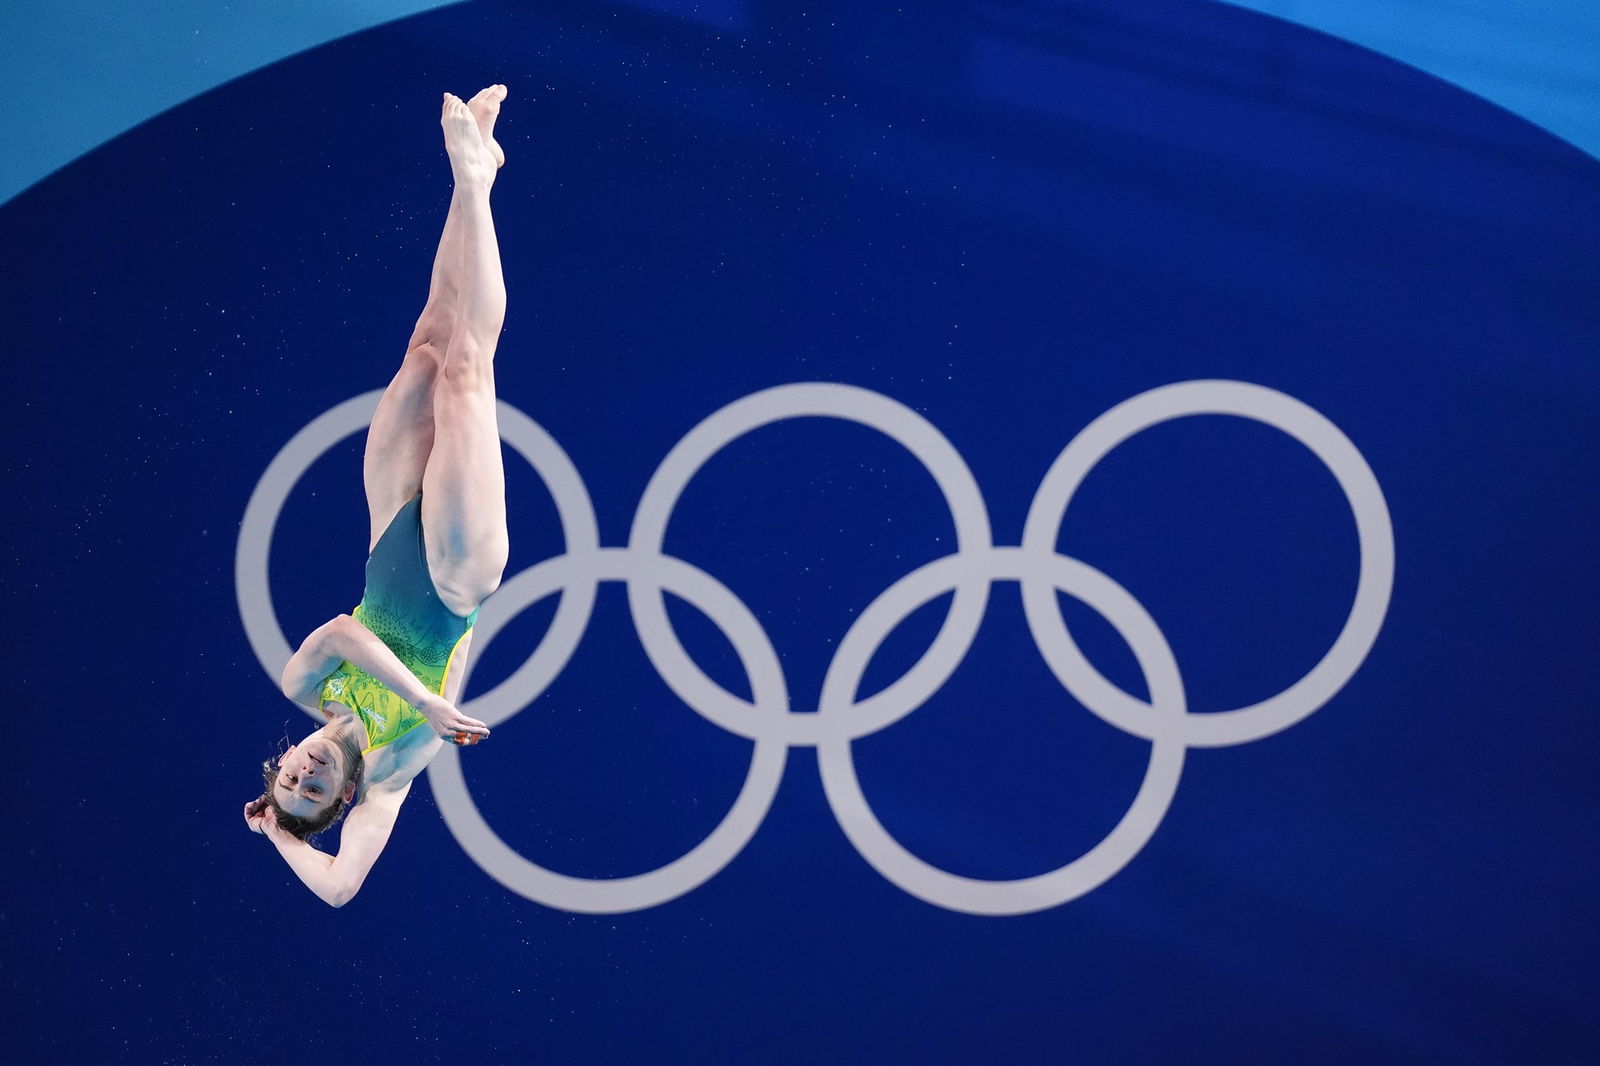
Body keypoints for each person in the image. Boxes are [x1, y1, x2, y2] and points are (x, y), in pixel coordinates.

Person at [243, 86, 512, 906]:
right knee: (469, 368)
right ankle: (471, 179)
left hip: (388, 537)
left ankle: (479, 179)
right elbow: (339, 890)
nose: (306, 772)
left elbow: (342, 633)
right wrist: (288, 837)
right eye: (314, 793)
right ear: (343, 798)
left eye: (289, 777)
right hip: (458, 577)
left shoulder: (303, 684)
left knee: (428, 345)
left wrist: (274, 825)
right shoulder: (392, 772)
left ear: (283, 758)